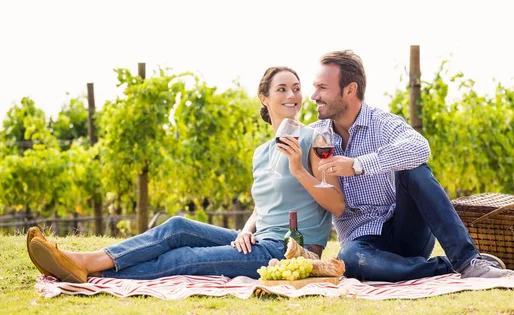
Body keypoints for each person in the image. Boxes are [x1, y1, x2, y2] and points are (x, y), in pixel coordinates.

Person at [26, 66, 344, 283]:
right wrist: (247, 229)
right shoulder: (261, 153)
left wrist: (300, 170)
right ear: (265, 98)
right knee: (178, 225)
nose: (292, 95)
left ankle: (88, 269)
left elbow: (336, 204)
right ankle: (87, 261)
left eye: (297, 89)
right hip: (259, 241)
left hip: (290, 251)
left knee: (186, 257)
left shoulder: (315, 140)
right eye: (282, 88)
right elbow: (264, 206)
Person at [309, 50, 514, 281]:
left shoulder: (382, 123)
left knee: (414, 168)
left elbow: (420, 148)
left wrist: (358, 164)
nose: (313, 95)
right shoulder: (317, 136)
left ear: (350, 89)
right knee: (349, 258)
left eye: (322, 88)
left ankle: (468, 261)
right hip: (363, 243)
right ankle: (446, 267)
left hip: (407, 230)